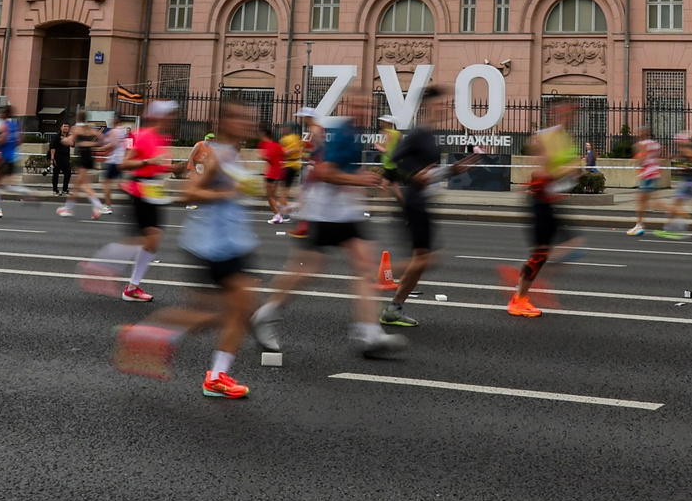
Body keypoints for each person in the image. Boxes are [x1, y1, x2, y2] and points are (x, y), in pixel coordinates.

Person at [114, 97, 263, 398]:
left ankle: (146, 336)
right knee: (238, 311)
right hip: (213, 246)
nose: (245, 121)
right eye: (237, 116)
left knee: (215, 316)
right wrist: (227, 191)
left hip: (232, 242)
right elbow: (189, 193)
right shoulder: (215, 153)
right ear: (220, 123)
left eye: (247, 117)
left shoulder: (234, 153)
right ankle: (215, 375)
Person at [249, 101, 404, 357]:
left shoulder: (348, 133)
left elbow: (331, 168)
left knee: (365, 266)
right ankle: (265, 315)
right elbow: (324, 172)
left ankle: (371, 334)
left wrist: (361, 178)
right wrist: (359, 180)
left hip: (345, 211)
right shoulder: (337, 133)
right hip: (326, 212)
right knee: (307, 269)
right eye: (361, 107)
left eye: (368, 109)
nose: (366, 112)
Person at [80, 100, 178, 302]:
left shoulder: (162, 139)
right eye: (169, 114)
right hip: (139, 190)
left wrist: (171, 168)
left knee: (153, 241)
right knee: (145, 240)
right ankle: (101, 264)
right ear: (158, 116)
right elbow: (125, 164)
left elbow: (157, 166)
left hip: (154, 191)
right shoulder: (143, 136)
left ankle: (132, 287)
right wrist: (148, 162)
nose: (173, 118)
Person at [379, 83, 453, 330]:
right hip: (414, 202)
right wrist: (412, 176)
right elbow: (393, 159)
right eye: (441, 103)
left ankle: (394, 307)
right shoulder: (419, 133)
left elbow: (428, 171)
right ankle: (384, 295)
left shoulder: (429, 134)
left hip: (421, 200)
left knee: (425, 258)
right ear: (428, 106)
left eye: (445, 104)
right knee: (425, 258)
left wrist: (454, 170)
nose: (444, 108)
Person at [508, 99, 586, 313]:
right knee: (541, 253)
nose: (572, 118)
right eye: (567, 113)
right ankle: (519, 296)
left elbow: (563, 171)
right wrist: (572, 166)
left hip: (552, 200)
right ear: (557, 114)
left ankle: (524, 281)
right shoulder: (546, 136)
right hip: (540, 199)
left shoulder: (566, 138)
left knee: (571, 248)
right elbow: (546, 172)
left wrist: (574, 172)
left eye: (573, 114)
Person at [628, 131, 665, 236]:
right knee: (646, 201)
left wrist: (638, 158)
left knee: (645, 202)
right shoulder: (656, 145)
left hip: (646, 175)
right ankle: (639, 225)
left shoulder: (641, 145)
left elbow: (642, 159)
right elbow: (659, 159)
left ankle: (677, 214)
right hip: (654, 174)